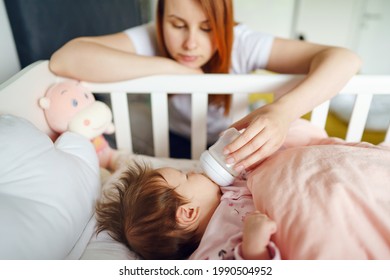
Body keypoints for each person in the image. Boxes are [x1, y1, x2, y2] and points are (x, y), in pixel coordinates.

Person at [49, 0, 361, 168]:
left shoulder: (243, 43)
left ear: (223, 24)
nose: (190, 44)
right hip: (173, 137)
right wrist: (169, 68)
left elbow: (345, 59)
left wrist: (282, 111)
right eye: (177, 25)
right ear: (162, 20)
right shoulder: (154, 38)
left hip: (230, 139)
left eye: (207, 28)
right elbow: (66, 58)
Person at [95, 162, 280, 260]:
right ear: (188, 213)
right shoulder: (209, 254)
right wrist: (254, 249)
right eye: (186, 176)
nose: (193, 171)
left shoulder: (228, 187)